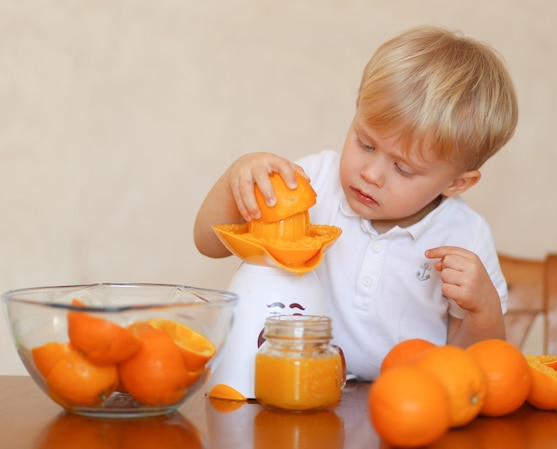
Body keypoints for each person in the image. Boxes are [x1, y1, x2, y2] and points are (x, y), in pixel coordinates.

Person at [194, 26, 518, 381]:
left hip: (408, 408)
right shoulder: (313, 180)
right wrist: (236, 177)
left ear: (457, 183)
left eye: (403, 168)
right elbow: (208, 243)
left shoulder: (466, 235)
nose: (372, 174)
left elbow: (474, 367)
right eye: (366, 144)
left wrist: (482, 310)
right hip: (290, 386)